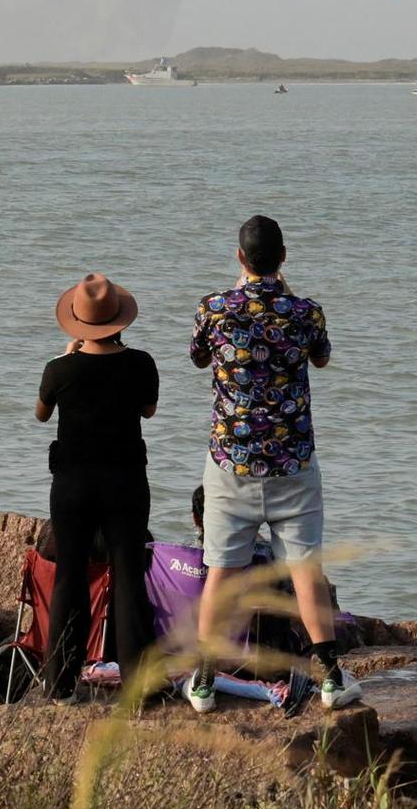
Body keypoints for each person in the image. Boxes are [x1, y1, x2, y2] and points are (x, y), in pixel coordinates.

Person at [186, 215, 360, 711]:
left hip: (231, 463)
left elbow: (199, 358)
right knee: (305, 567)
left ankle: (203, 680)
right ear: (283, 258)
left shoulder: (214, 309)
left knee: (220, 568)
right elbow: (321, 359)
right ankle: (330, 678)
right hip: (292, 461)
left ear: (240, 258)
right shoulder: (305, 312)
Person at [35, 274, 159, 704]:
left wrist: (67, 357)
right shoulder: (141, 363)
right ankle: (139, 688)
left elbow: (40, 413)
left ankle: (60, 685)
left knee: (69, 577)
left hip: (72, 486)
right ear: (120, 321)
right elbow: (149, 409)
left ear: (77, 325)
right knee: (128, 576)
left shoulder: (60, 369)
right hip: (126, 481)